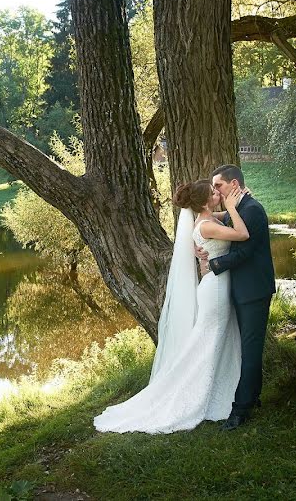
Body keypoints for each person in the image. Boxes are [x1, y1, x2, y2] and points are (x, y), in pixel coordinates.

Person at [93, 179, 250, 433]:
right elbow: (242, 234)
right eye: (213, 192)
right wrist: (232, 208)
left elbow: (224, 215)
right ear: (202, 203)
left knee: (216, 339)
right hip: (217, 288)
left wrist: (236, 202)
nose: (217, 193)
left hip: (215, 284)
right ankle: (189, 394)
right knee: (209, 341)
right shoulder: (207, 226)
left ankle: (222, 389)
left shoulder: (206, 219)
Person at [198, 164, 276, 431]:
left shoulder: (252, 211)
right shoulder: (239, 207)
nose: (215, 191)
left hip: (253, 291)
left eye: (218, 185)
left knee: (250, 350)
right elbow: (217, 217)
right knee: (245, 348)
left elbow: (243, 253)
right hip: (240, 290)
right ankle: (251, 397)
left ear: (233, 184)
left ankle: (240, 409)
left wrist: (214, 265)